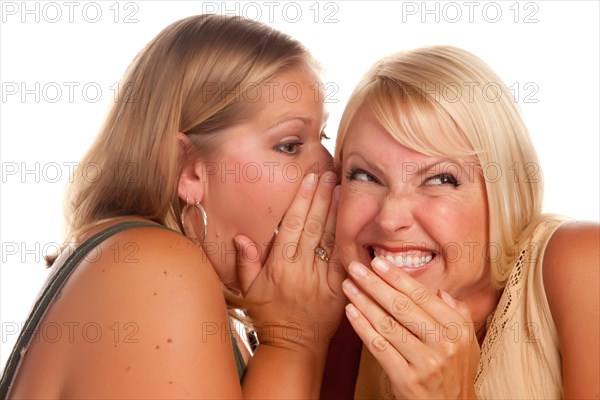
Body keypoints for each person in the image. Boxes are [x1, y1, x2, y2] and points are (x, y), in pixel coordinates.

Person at [1, 14, 347, 398]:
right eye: (289, 145)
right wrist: (293, 341)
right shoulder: (155, 267)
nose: (330, 168)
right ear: (189, 170)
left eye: (323, 136)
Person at [324, 46, 599, 399]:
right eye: (365, 175)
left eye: (440, 180)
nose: (390, 218)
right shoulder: (343, 320)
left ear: (506, 192)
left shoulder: (582, 265)